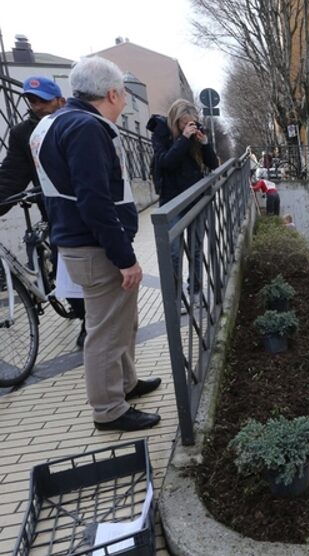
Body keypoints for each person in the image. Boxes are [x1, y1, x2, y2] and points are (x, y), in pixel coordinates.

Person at [30, 57, 161, 432]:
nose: (123, 104)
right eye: (123, 95)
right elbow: (94, 199)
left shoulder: (53, 124)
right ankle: (109, 409)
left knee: (120, 321)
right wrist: (125, 258)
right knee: (105, 330)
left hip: (80, 240)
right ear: (113, 93)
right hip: (95, 247)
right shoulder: (86, 127)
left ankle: (125, 384)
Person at [0, 76, 87, 348]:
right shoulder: (22, 134)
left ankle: (94, 322)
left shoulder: (76, 122)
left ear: (60, 99)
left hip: (86, 207)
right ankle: (86, 319)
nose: (37, 106)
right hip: (56, 212)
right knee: (66, 271)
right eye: (32, 101)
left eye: (43, 101)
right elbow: (12, 174)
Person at [148, 99, 219, 304]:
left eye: (192, 123)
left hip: (195, 199)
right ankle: (176, 296)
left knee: (196, 249)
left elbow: (213, 164)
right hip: (172, 202)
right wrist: (183, 139)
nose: (188, 126)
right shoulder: (161, 134)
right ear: (175, 121)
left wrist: (204, 143)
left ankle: (195, 289)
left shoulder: (194, 138)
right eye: (184, 123)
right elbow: (167, 163)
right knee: (174, 253)